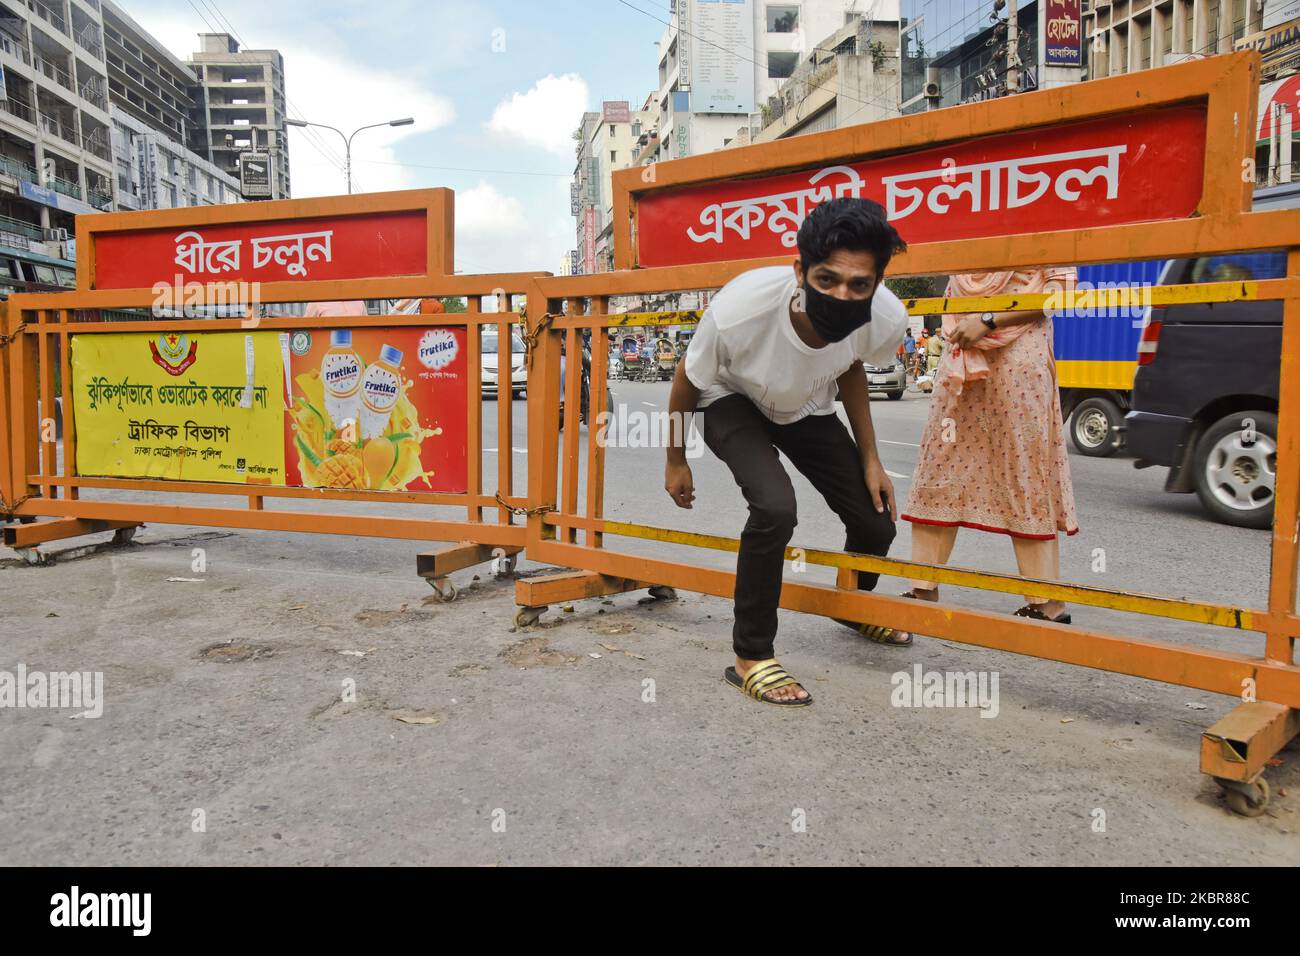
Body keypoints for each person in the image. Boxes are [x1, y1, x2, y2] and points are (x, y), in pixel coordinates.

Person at [664, 198, 911, 709]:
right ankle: (751, 655)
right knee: (776, 509)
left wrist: (871, 459)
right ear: (800, 271)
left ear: (877, 283)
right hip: (729, 399)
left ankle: (852, 602)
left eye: (859, 285)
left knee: (876, 520)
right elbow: (687, 377)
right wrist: (675, 458)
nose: (843, 294)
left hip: (803, 407)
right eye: (827, 280)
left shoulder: (885, 318)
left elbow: (850, 366)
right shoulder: (741, 308)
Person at [900, 266, 1079, 623]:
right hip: (962, 352)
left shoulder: (1051, 221)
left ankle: (1047, 601)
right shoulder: (973, 228)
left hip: (1018, 359)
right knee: (940, 466)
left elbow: (1062, 295)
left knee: (1023, 473)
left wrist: (989, 319)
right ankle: (923, 584)